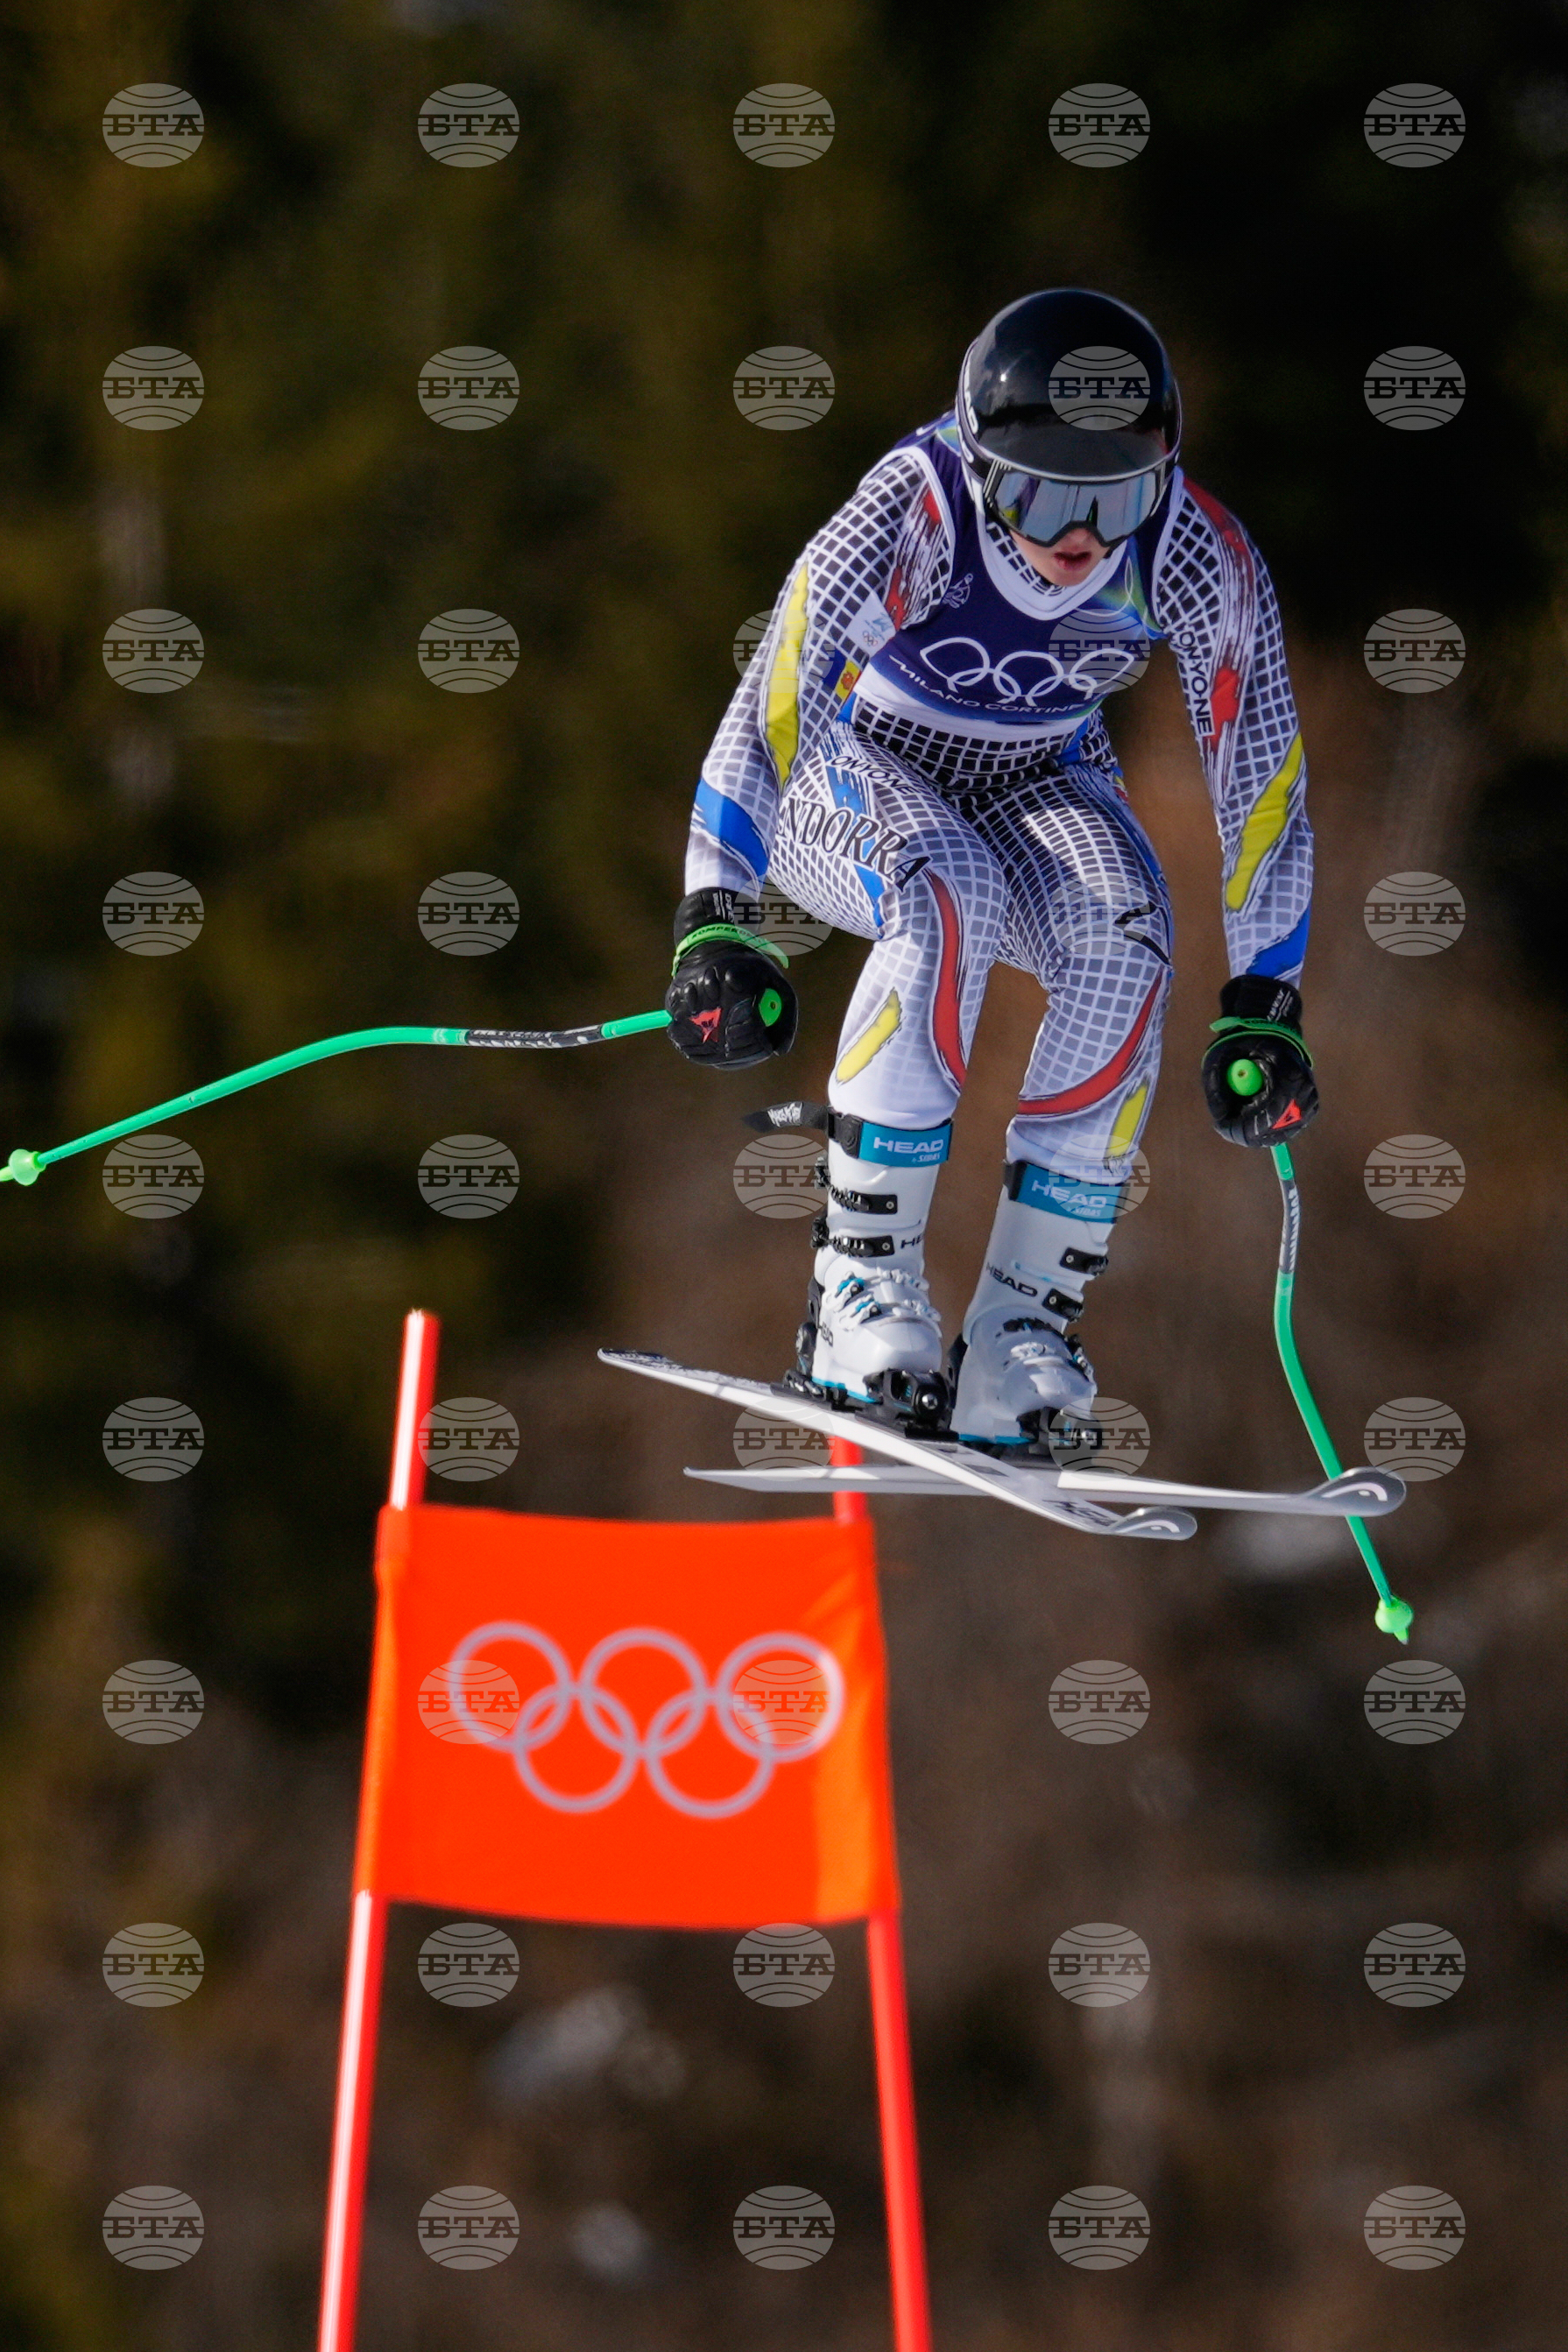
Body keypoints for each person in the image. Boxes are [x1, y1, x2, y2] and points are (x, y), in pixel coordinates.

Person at [663, 288, 1318, 1449]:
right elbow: (769, 704)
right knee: (945, 895)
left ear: (1157, 476)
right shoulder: (907, 511)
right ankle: (857, 1289)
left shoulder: (1192, 552)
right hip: (855, 760)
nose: (1075, 535)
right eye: (1034, 492)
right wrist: (717, 910)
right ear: (977, 465)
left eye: (1110, 496)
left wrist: (1264, 1002)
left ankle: (1021, 1332)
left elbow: (1258, 774)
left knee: (1124, 936)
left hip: (1036, 770)